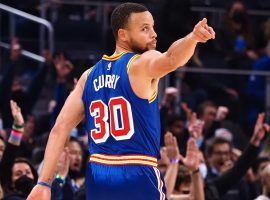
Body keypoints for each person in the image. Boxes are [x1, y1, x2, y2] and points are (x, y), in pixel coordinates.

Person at [27, 2, 215, 200]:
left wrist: (43, 183)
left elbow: (60, 128)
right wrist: (193, 38)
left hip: (99, 175)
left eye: (153, 27)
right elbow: (171, 59)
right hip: (137, 170)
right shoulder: (140, 63)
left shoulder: (87, 77)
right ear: (123, 34)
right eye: (145, 29)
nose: (154, 34)